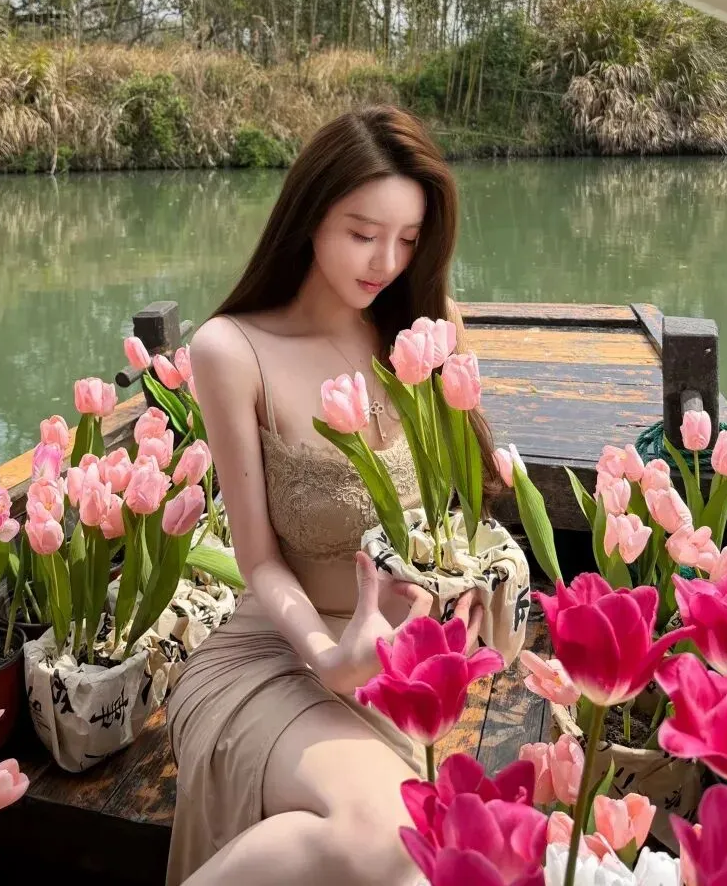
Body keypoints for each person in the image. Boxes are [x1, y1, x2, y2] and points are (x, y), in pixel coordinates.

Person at [165, 105, 503, 886]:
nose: (386, 260)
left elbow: (458, 521)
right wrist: (326, 656)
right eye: (362, 233)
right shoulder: (233, 349)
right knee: (384, 838)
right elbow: (257, 559)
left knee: (426, 855)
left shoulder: (423, 331)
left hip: (397, 669)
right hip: (279, 656)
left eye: (409, 239)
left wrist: (475, 593)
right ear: (310, 214)